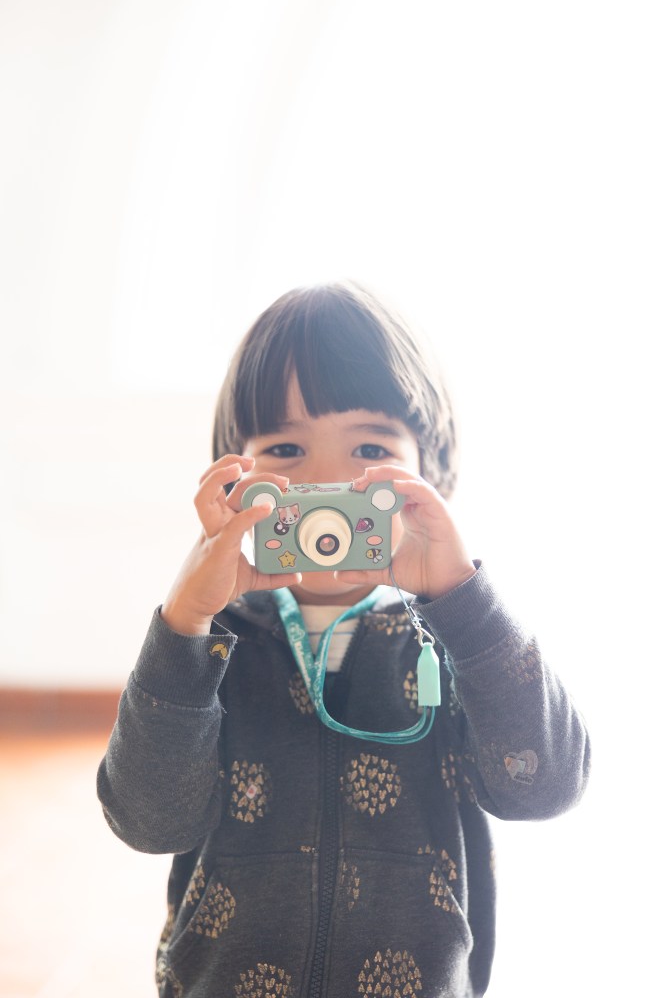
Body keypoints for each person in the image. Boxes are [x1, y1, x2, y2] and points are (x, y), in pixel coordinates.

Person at [97, 281, 590, 998]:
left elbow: (545, 786)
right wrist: (184, 625)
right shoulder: (209, 643)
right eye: (285, 448)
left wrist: (464, 603)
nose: (326, 480)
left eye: (369, 446)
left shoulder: (457, 639)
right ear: (236, 479)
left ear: (428, 473)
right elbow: (146, 819)